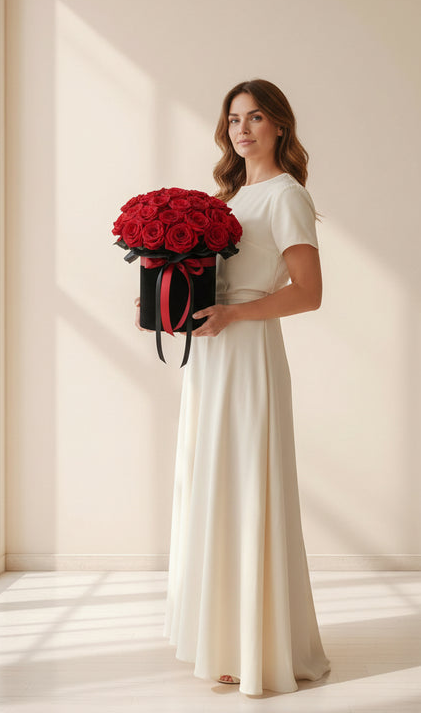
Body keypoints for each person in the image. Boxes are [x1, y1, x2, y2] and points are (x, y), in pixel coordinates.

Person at [134, 78, 331, 696]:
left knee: (247, 483)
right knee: (212, 481)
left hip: (246, 352)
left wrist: (234, 316)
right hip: (209, 354)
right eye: (234, 118)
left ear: (278, 126)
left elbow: (310, 293)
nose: (242, 128)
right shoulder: (227, 198)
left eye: (255, 118)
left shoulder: (285, 197)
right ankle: (223, 639)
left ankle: (258, 647)